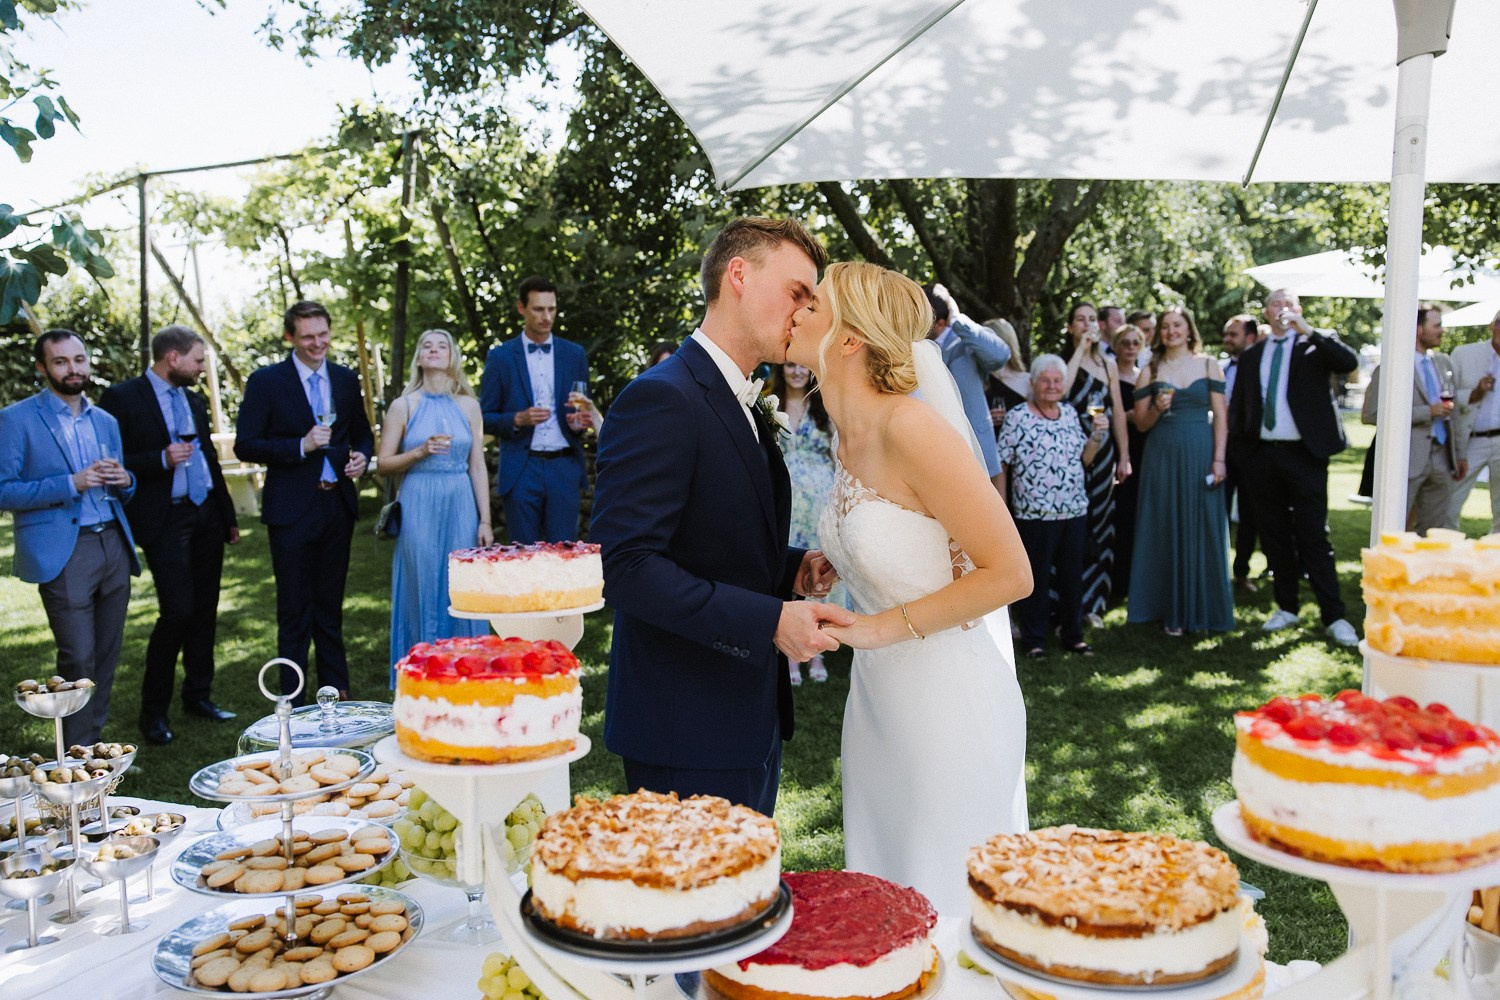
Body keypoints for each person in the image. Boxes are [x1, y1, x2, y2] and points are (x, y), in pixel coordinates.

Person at [791, 261, 1032, 918]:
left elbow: (1011, 573)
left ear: (848, 339)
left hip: (948, 712)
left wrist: (876, 627)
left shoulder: (912, 427)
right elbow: (905, 533)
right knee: (884, 902)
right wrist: (835, 557)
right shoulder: (847, 437)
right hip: (876, 709)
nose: (794, 310)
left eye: (810, 304)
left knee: (945, 913)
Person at [591, 217, 851, 818]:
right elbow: (624, 565)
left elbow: (713, 539)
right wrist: (769, 622)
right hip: (685, 726)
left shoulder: (740, 395)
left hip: (743, 716)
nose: (806, 314)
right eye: (797, 293)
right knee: (695, 909)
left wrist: (790, 572)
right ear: (739, 275)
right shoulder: (663, 397)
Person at [99, 326, 239, 746]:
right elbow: (113, 460)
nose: (201, 368)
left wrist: (227, 515)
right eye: (197, 360)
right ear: (172, 358)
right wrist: (160, 459)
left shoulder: (193, 399)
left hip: (205, 516)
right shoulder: (122, 399)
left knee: (205, 609)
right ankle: (153, 712)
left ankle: (199, 696)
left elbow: (210, 459)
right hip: (164, 519)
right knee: (177, 610)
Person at [0, 330, 139, 744]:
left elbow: (124, 487)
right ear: (42, 368)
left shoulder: (106, 421)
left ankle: (96, 749)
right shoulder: (16, 419)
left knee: (107, 655)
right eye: (61, 362)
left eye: (79, 359)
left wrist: (125, 479)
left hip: (112, 541)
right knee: (79, 656)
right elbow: (4, 489)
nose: (73, 369)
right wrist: (70, 483)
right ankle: (79, 756)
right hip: (65, 551)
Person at [235, 301, 374, 699]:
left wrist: (362, 457)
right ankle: (291, 701)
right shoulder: (266, 381)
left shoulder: (345, 379)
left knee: (330, 607)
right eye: (308, 336)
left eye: (323, 334)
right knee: (294, 610)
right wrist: (300, 444)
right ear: (290, 337)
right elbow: (246, 443)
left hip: (337, 506)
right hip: (291, 510)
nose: (318, 344)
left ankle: (337, 693)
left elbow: (361, 433)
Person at [1228, 288, 1360, 646]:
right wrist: (1245, 454)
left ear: (1298, 310)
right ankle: (1287, 606)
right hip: (1263, 456)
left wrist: (1309, 330)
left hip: (1305, 455)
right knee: (1273, 534)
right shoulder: (1253, 355)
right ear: (1266, 314)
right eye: (1275, 303)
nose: (1282, 308)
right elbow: (1239, 406)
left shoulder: (1315, 346)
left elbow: (1348, 363)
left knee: (1313, 536)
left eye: (1288, 303)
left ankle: (1334, 615)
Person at [378, 329, 492, 677]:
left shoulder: (469, 406)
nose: (434, 349)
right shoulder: (403, 405)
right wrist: (420, 451)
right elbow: (383, 463)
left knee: (460, 585)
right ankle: (423, 672)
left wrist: (485, 520)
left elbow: (477, 464)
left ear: (452, 356)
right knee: (423, 580)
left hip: (460, 500)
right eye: (426, 344)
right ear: (419, 357)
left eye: (442, 345)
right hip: (418, 501)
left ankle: (467, 671)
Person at [1128, 306, 1234, 635]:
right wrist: (1158, 410)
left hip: (1201, 451)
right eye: (1165, 327)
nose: (1171, 331)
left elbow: (1221, 417)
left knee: (1203, 525)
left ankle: (1203, 609)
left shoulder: (1209, 364)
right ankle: (1166, 609)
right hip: (1162, 454)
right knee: (1164, 525)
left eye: (1178, 325)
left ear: (1189, 330)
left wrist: (1219, 459)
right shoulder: (1150, 369)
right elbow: (1142, 424)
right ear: (1159, 333)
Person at [997, 354, 1105, 659]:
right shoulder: (1018, 416)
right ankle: (1034, 639)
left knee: (1072, 577)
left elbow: (1085, 459)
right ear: (1032, 383)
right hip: (1034, 514)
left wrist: (1097, 435)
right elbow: (1002, 463)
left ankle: (1073, 636)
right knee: (1037, 579)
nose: (1052, 386)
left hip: (1073, 510)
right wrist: (1003, 507)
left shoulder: (1070, 414)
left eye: (1058, 380)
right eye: (1045, 380)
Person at [479, 276, 595, 543]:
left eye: (551, 309)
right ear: (521, 308)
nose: (546, 316)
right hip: (522, 467)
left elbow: (580, 406)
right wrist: (517, 418)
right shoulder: (500, 358)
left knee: (563, 557)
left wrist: (579, 422)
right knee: (523, 559)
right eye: (538, 309)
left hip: (564, 467)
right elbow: (484, 419)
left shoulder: (574, 354)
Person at [1360, 304, 1465, 535]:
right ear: (1418, 329)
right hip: (1405, 462)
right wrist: (1427, 412)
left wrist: (1459, 455)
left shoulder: (1443, 363)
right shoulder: (1391, 367)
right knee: (1394, 531)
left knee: (1435, 533)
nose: (1442, 331)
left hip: (1442, 461)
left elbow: (1453, 413)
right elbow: (1370, 415)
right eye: (1437, 325)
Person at [769, 361, 839, 685]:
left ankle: (818, 650)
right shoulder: (770, 403)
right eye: (790, 366)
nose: (796, 372)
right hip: (786, 501)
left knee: (816, 570)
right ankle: (790, 655)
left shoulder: (824, 402)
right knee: (788, 567)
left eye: (801, 366)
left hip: (819, 501)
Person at [1062, 303, 1131, 624]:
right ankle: (1062, 600)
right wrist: (1081, 350)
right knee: (1071, 523)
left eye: (1092, 319)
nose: (1088, 324)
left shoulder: (1109, 365)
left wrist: (1124, 456)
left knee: (1100, 522)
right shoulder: (1063, 361)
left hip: (1103, 451)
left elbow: (1117, 411)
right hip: (1067, 451)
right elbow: (1063, 389)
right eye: (1081, 320)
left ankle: (1093, 602)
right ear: (1071, 327)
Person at [924, 283, 1012, 490]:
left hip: (975, 451)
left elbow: (1001, 355)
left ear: (939, 323)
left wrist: (957, 319)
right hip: (932, 450)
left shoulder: (967, 341)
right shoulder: (911, 348)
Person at [1448, 307, 1500, 531]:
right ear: (1491, 325)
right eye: (1499, 321)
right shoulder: (1464, 354)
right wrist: (1474, 392)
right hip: (1470, 441)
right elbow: (1446, 395)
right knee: (1449, 503)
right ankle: (1443, 553)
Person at [1221, 314, 1262, 589]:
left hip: (1251, 448)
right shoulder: (1220, 368)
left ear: (1250, 337)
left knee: (1250, 513)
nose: (1227, 340)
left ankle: (1241, 572)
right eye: (1226, 334)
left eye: (1233, 334)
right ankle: (1215, 568)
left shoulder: (1262, 366)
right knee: (1218, 510)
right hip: (1222, 446)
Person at [1111, 323, 1147, 602]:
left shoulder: (1146, 376)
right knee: (1122, 516)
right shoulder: (1111, 372)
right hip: (1119, 449)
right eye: (1126, 342)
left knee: (1140, 515)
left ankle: (1138, 578)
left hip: (1146, 449)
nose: (1131, 347)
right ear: (1116, 345)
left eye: (1136, 342)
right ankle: (1117, 582)